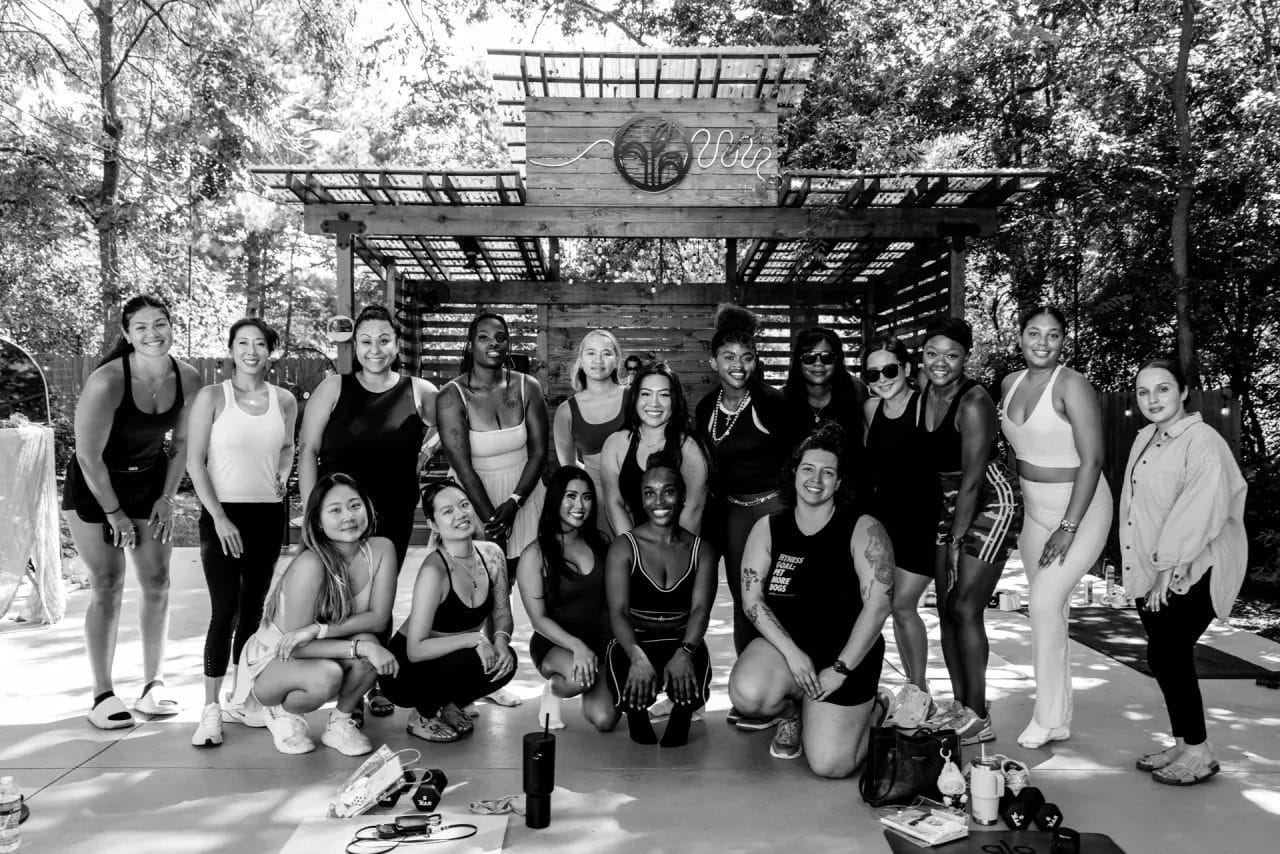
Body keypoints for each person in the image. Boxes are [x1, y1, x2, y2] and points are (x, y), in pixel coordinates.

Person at [62, 294, 203, 729]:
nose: (152, 334)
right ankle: (102, 694)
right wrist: (115, 513)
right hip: (95, 486)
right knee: (107, 583)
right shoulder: (108, 381)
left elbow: (181, 444)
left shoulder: (190, 377)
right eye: (140, 327)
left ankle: (153, 685)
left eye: (159, 324)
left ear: (171, 326)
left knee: (158, 581)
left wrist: (166, 497)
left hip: (149, 480)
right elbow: (87, 457)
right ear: (126, 334)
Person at [728, 424, 892, 776]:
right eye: (808, 468)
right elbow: (752, 600)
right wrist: (792, 653)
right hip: (791, 651)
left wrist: (841, 669)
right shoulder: (768, 527)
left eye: (827, 472)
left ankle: (874, 711)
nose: (816, 479)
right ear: (794, 473)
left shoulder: (863, 528)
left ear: (839, 482)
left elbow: (878, 606)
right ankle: (793, 712)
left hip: (846, 656)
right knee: (749, 694)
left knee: (830, 765)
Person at [298, 304, 437, 717]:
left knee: (379, 598)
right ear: (354, 346)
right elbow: (308, 451)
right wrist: (312, 513)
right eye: (366, 341)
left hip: (391, 511)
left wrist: (425, 451)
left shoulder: (420, 391)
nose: (375, 349)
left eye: (384, 340)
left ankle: (372, 682)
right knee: (337, 597)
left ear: (396, 345)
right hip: (337, 515)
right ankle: (347, 684)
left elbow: (454, 428)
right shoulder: (333, 388)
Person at [1122, 358, 1247, 786]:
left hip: (1197, 564)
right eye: (1143, 392)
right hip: (1155, 564)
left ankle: (1199, 752)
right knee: (1163, 655)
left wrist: (1163, 570)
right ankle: (1182, 742)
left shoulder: (1202, 442)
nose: (1152, 399)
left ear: (1183, 391)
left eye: (1162, 389)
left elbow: (1197, 512)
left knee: (1169, 653)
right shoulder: (1147, 438)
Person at [1000, 306, 1112, 749]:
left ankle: (1045, 718)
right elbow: (1017, 451)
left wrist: (1068, 525)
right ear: (1021, 336)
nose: (1042, 342)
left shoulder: (1072, 385)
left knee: (1043, 604)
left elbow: (1094, 460)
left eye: (1052, 334)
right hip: (1034, 510)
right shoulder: (1009, 384)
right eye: (1033, 332)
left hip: (1079, 509)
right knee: (1053, 613)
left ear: (1063, 340)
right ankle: (1060, 716)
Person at [186, 318, 298, 747]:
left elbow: (288, 446)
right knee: (224, 613)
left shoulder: (284, 400)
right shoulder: (213, 397)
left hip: (267, 516)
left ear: (271, 350)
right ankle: (211, 709)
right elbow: (195, 461)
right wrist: (218, 517)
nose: (251, 350)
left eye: (260, 344)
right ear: (231, 350)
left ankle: (241, 697)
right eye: (242, 343)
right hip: (223, 516)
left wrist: (284, 476)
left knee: (253, 612)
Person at [231, 473, 399, 756]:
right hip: (276, 660)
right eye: (335, 510)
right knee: (329, 673)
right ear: (318, 522)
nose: (349, 516)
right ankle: (281, 714)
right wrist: (361, 647)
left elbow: (379, 618)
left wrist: (318, 630)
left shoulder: (381, 549)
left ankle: (340, 724)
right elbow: (297, 649)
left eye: (355, 505)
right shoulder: (310, 564)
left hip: (318, 646)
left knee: (371, 646)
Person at [916, 316, 1020, 745]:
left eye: (952, 355)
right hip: (950, 501)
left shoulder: (973, 400)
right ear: (921, 356)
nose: (941, 363)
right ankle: (960, 707)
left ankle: (978, 715)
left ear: (965, 358)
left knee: (964, 607)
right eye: (932, 354)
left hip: (990, 501)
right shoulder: (924, 393)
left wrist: (956, 543)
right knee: (944, 607)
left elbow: (975, 479)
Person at [695, 305, 797, 673]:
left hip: (774, 508)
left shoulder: (771, 402)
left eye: (746, 357)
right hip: (734, 511)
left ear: (755, 362)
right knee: (744, 596)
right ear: (713, 363)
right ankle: (749, 676)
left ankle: (786, 677)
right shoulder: (707, 407)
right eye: (728, 357)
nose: (737, 364)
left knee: (778, 595)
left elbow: (799, 459)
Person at [380, 480, 518, 742]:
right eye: (448, 511)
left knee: (505, 660)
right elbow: (416, 649)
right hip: (407, 670)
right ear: (433, 524)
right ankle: (421, 715)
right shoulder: (435, 571)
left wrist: (500, 640)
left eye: (464, 505)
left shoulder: (492, 554)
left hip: (453, 659)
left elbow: (502, 612)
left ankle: (448, 704)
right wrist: (474, 639)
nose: (460, 514)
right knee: (468, 658)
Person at [605, 454, 716, 747]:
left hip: (679, 636)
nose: (659, 501)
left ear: (681, 496)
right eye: (650, 493)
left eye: (668, 491)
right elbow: (617, 611)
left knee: (697, 659)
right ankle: (636, 713)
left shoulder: (701, 549)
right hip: (637, 637)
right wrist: (637, 657)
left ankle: (682, 712)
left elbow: (701, 609)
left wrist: (685, 651)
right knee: (620, 659)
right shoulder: (624, 546)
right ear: (641, 500)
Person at [861, 336, 940, 705]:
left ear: (907, 370)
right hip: (885, 523)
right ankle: (912, 686)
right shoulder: (870, 409)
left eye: (890, 369)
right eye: (873, 372)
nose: (882, 378)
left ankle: (920, 688)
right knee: (892, 605)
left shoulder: (927, 405)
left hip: (923, 522)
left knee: (904, 604)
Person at [437, 312, 547, 572]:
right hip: (475, 498)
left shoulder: (527, 386)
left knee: (535, 579)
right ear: (471, 344)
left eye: (501, 337)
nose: (493, 343)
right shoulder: (451, 396)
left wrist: (514, 502)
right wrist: (492, 522)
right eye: (483, 337)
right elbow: (462, 468)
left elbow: (539, 452)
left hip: (525, 495)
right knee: (485, 586)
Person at [516, 466, 618, 732]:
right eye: (570, 496)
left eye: (586, 497)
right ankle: (552, 691)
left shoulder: (599, 544)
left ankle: (593, 673)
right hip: (556, 643)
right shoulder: (535, 554)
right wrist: (577, 647)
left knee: (605, 720)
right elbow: (538, 620)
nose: (579, 505)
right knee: (580, 681)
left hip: (599, 643)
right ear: (556, 499)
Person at [600, 361, 708, 537]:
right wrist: (634, 552)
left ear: (674, 400)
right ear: (635, 398)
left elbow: (693, 510)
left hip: (679, 549)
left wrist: (670, 557)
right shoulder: (615, 445)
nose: (654, 403)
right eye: (646, 394)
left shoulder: (689, 448)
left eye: (664, 395)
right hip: (632, 545)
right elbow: (614, 504)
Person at [552, 329, 626, 535]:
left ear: (617, 360)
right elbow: (568, 467)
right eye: (591, 353)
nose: (598, 360)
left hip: (635, 489)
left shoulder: (634, 397)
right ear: (581, 360)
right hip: (597, 497)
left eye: (606, 353)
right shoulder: (566, 411)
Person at [784, 326, 870, 500]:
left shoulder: (856, 391)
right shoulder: (783, 400)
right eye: (809, 358)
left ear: (837, 360)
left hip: (850, 493)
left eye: (827, 357)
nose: (818, 364)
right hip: (801, 496)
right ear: (798, 362)